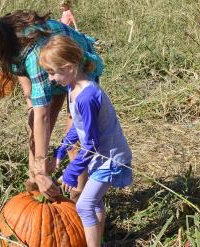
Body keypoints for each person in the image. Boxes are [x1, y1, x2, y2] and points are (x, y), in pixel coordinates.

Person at [0, 10, 104, 201]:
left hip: (75, 69)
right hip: (48, 74)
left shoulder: (32, 50)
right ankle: (36, 190)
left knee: (74, 141)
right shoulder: (9, 44)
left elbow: (43, 115)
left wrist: (41, 164)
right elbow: (30, 94)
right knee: (35, 128)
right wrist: (36, 170)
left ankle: (79, 197)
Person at [39, 35, 133, 247]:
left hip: (109, 157)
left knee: (84, 205)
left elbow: (90, 142)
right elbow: (77, 129)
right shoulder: (74, 89)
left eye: (53, 72)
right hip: (101, 155)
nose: (51, 79)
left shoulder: (87, 97)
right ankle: (98, 242)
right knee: (95, 202)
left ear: (70, 67)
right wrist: (60, 152)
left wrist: (72, 171)